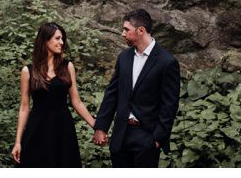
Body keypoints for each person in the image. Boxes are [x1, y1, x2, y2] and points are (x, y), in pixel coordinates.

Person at [92, 9, 180, 168]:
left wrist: (157, 139)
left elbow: (170, 104)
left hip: (147, 137)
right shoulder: (124, 57)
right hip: (121, 134)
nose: (122, 33)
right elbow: (112, 94)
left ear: (141, 30)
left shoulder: (167, 62)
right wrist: (101, 127)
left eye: (126, 29)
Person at [12, 22, 97, 167]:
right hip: (37, 128)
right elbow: (24, 107)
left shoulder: (67, 67)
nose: (62, 43)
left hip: (62, 129)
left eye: (62, 39)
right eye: (57, 38)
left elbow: (76, 101)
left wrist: (96, 126)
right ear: (45, 40)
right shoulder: (28, 71)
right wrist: (18, 142)